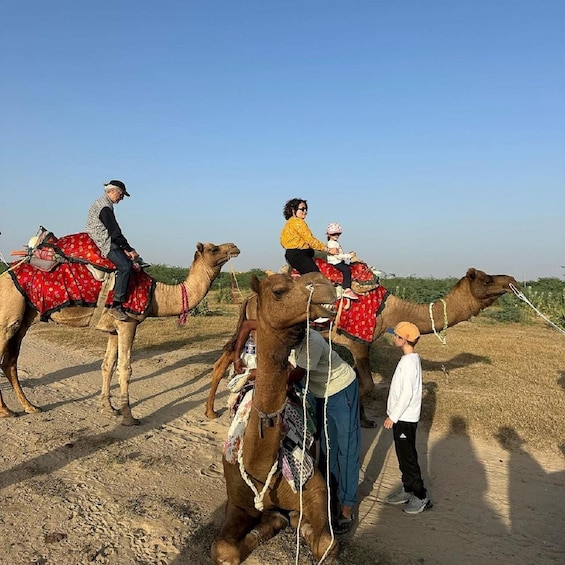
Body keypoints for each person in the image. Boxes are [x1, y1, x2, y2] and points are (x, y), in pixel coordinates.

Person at [233, 321, 361, 535]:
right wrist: (237, 356)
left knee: (346, 449)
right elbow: (247, 324)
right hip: (318, 391)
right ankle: (329, 497)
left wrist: (255, 374)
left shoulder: (312, 344)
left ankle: (346, 508)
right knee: (326, 445)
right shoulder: (285, 330)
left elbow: (291, 378)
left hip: (340, 390)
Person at [383, 321, 433, 514]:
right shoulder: (410, 359)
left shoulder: (409, 363)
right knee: (403, 456)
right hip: (402, 418)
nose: (394, 338)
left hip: (404, 419)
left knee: (408, 458)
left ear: (403, 340)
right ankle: (407, 489)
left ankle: (421, 496)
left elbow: (407, 394)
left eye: (396, 336)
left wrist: (393, 417)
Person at [86, 180, 144, 321]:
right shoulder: (105, 206)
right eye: (121, 194)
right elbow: (114, 232)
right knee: (125, 266)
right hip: (104, 241)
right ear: (113, 191)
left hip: (105, 239)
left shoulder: (104, 204)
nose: (121, 198)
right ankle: (116, 306)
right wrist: (128, 248)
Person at [280, 198, 337, 275]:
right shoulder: (298, 222)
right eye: (302, 209)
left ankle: (291, 269)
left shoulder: (288, 224)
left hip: (292, 254)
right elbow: (310, 240)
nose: (305, 212)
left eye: (306, 209)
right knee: (317, 278)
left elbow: (282, 242)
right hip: (299, 254)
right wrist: (328, 249)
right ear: (293, 210)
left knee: (322, 255)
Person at [325, 222, 358, 300]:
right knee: (347, 270)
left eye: (338, 234)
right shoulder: (332, 244)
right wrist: (349, 256)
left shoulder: (335, 243)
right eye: (334, 234)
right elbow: (338, 256)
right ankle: (347, 288)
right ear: (329, 235)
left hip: (338, 261)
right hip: (335, 263)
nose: (336, 236)